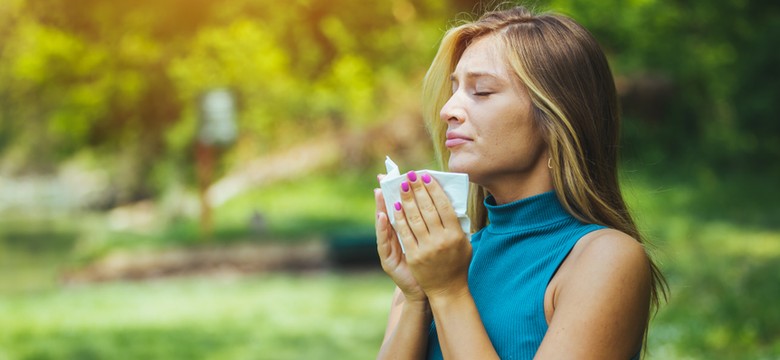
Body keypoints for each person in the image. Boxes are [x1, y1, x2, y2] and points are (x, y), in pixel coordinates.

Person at [373, 5, 667, 360]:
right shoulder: (441, 259)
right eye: (454, 89)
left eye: (481, 91)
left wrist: (449, 292)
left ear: (556, 116)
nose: (447, 109)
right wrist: (416, 295)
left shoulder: (605, 258)